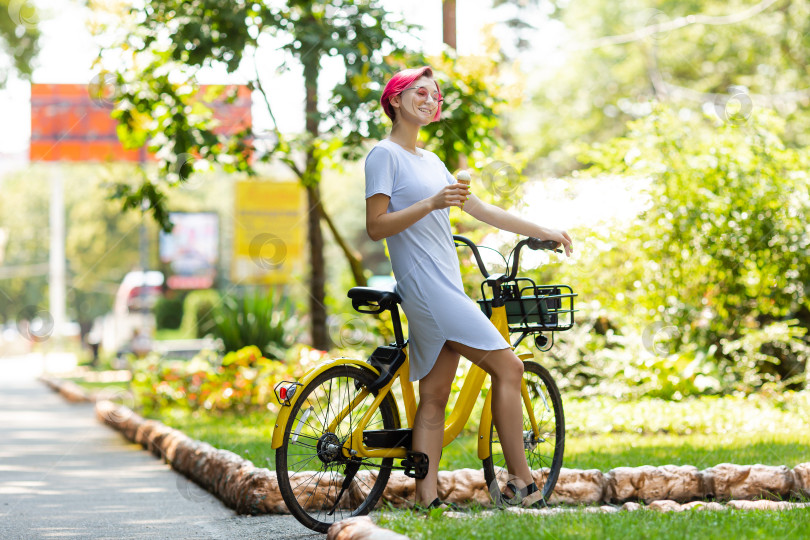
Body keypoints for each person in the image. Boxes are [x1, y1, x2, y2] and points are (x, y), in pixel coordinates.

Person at [364, 66, 573, 510]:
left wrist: (545, 230)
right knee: (510, 368)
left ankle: (426, 499)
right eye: (420, 92)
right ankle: (522, 482)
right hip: (426, 288)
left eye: (435, 95)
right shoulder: (384, 155)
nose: (429, 99)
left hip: (445, 286)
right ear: (396, 100)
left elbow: (481, 209)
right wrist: (431, 203)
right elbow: (375, 227)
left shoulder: (431, 160)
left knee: (435, 396)